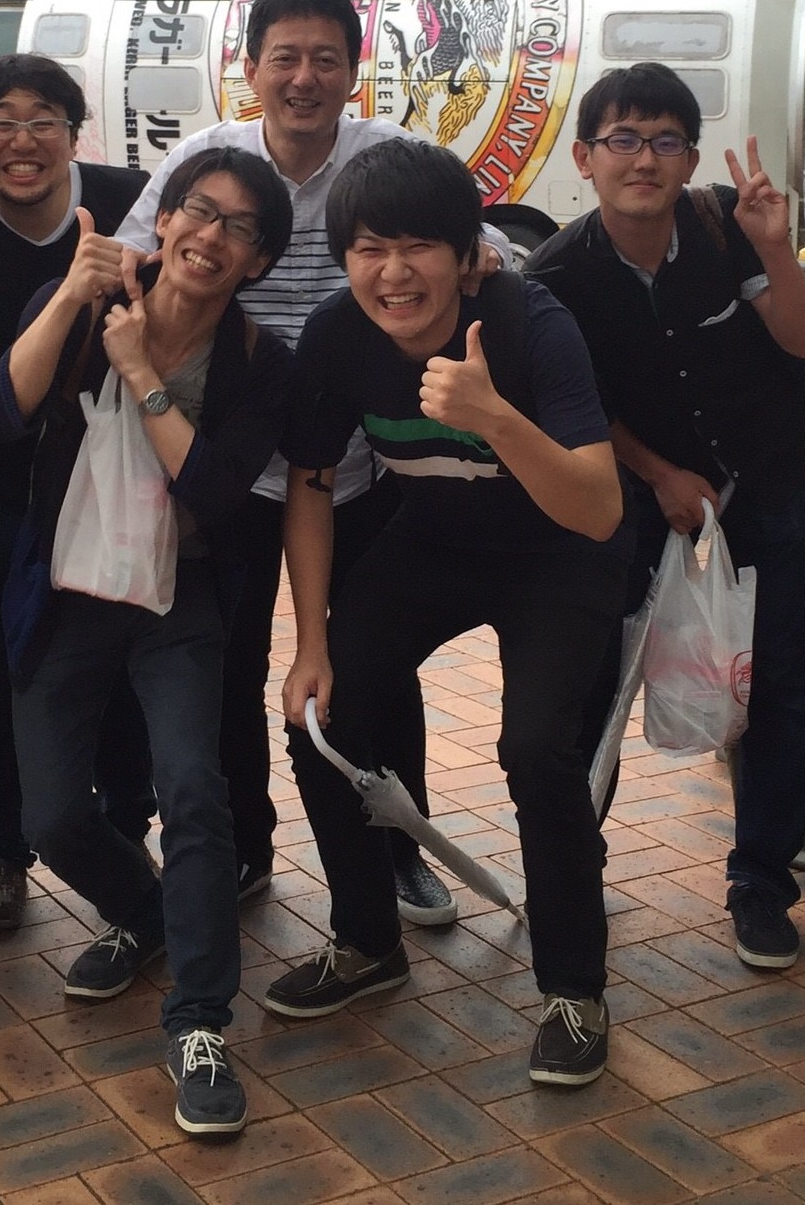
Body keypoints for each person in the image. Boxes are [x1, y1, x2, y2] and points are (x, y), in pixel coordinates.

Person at [115, 0, 507, 923]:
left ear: (353, 71)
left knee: (375, 667)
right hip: (231, 469)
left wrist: (492, 259)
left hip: (364, 466)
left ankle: (400, 846)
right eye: (284, 58)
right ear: (250, 67)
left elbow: (484, 251)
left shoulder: (392, 160)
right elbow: (134, 259)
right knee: (230, 666)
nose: (303, 78)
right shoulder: (206, 163)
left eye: (325, 59)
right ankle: (246, 848)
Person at [275, 139, 628, 1089]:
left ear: (467, 253)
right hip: (435, 540)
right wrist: (310, 643)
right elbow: (311, 483)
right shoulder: (337, 335)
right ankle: (366, 942)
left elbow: (600, 509)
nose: (393, 274)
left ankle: (574, 989)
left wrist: (494, 415)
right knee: (320, 718)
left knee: (538, 751)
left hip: (558, 553)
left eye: (417, 247)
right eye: (368, 249)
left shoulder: (530, 325)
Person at [0, 147, 297, 1137]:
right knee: (49, 816)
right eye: (198, 211)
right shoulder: (85, 298)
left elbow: (212, 491)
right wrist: (65, 305)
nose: (210, 236)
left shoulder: (259, 361)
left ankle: (199, 1022)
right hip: (70, 588)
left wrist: (139, 374)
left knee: (194, 790)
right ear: (163, 219)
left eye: (239, 228)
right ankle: (150, 915)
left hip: (182, 595)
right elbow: (0, 413)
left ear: (258, 260)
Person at [527, 62, 805, 970]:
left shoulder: (726, 225)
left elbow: (804, 345)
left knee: (779, 685)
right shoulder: (556, 274)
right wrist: (658, 475)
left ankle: (762, 887)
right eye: (622, 139)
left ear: (691, 157)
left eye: (666, 140)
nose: (644, 159)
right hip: (632, 500)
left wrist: (777, 250)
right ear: (585, 157)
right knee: (594, 685)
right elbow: (575, 406)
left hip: (768, 483)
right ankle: (572, 872)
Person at [0, 53, 154, 931]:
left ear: (73, 134)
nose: (22, 140)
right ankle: (2, 851)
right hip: (1, 494)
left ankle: (127, 835)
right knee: (9, 663)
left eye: (42, 119)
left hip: (117, 481)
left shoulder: (129, 202)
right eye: (0, 122)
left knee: (123, 662)